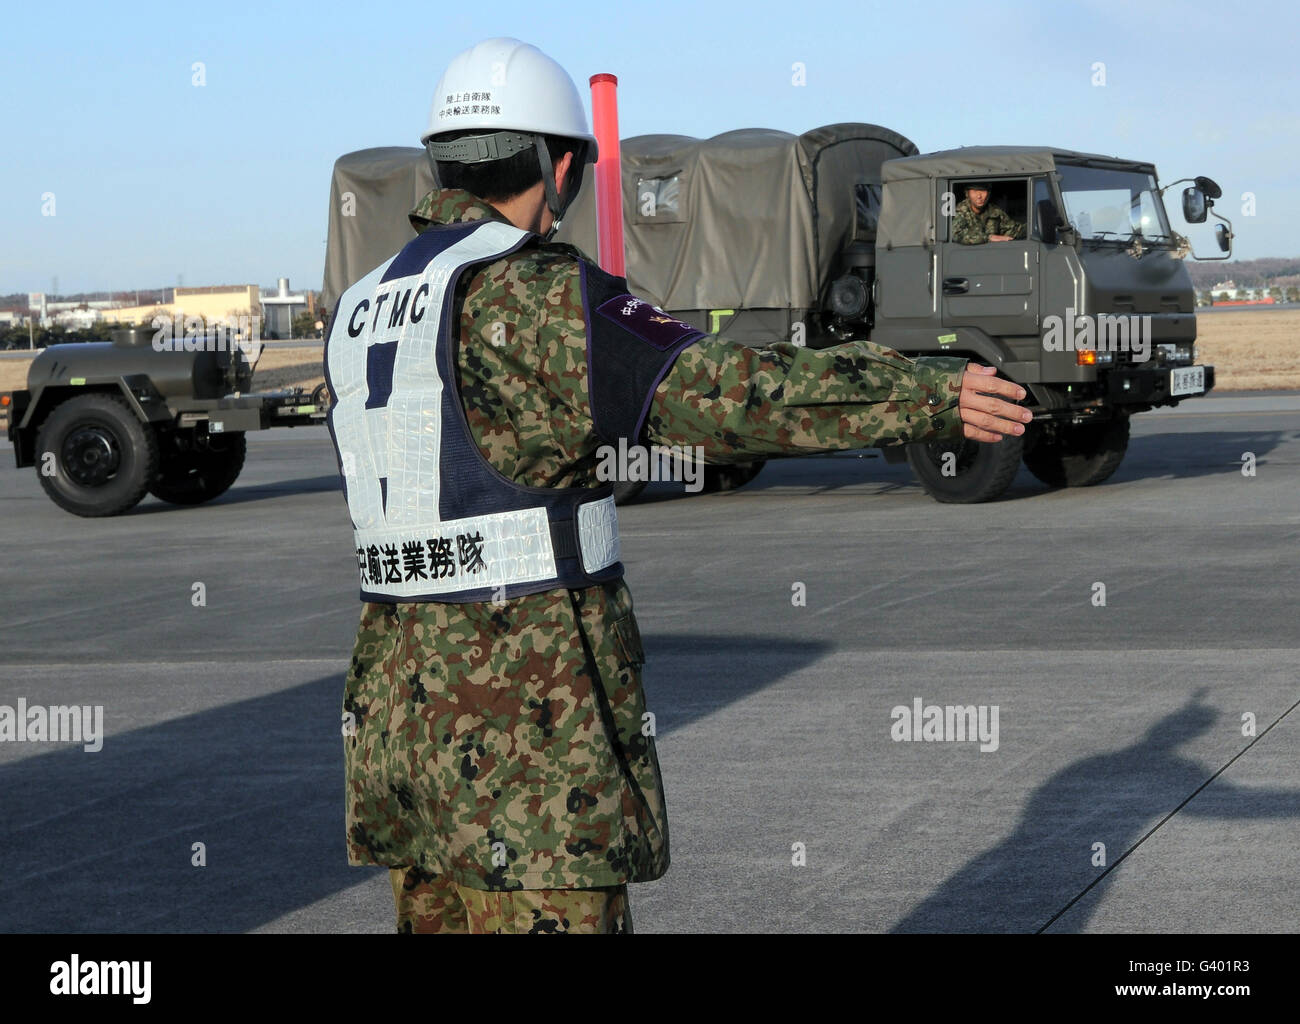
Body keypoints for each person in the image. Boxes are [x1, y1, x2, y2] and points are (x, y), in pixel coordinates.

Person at [324, 37, 1032, 934]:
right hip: (520, 739)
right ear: (561, 166)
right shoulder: (539, 296)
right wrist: (927, 392)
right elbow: (730, 399)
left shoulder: (362, 305)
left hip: (397, 730)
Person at [951, 181, 1024, 244]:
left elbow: (1013, 230)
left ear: (988, 193)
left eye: (983, 191)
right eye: (974, 191)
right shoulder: (961, 211)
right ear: (967, 194)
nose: (979, 196)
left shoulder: (995, 212)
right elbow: (955, 234)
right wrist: (988, 238)